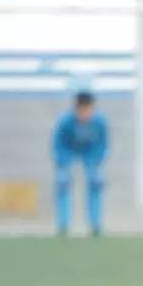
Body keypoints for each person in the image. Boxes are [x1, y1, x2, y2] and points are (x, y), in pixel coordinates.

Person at [53, 91, 108, 237]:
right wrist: (62, 165)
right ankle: (63, 225)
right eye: (81, 110)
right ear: (75, 109)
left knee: (95, 182)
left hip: (90, 153)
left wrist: (97, 163)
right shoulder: (65, 121)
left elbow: (103, 144)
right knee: (62, 182)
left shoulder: (100, 122)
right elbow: (58, 144)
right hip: (68, 151)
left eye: (87, 110)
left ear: (92, 108)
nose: (84, 114)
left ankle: (95, 224)